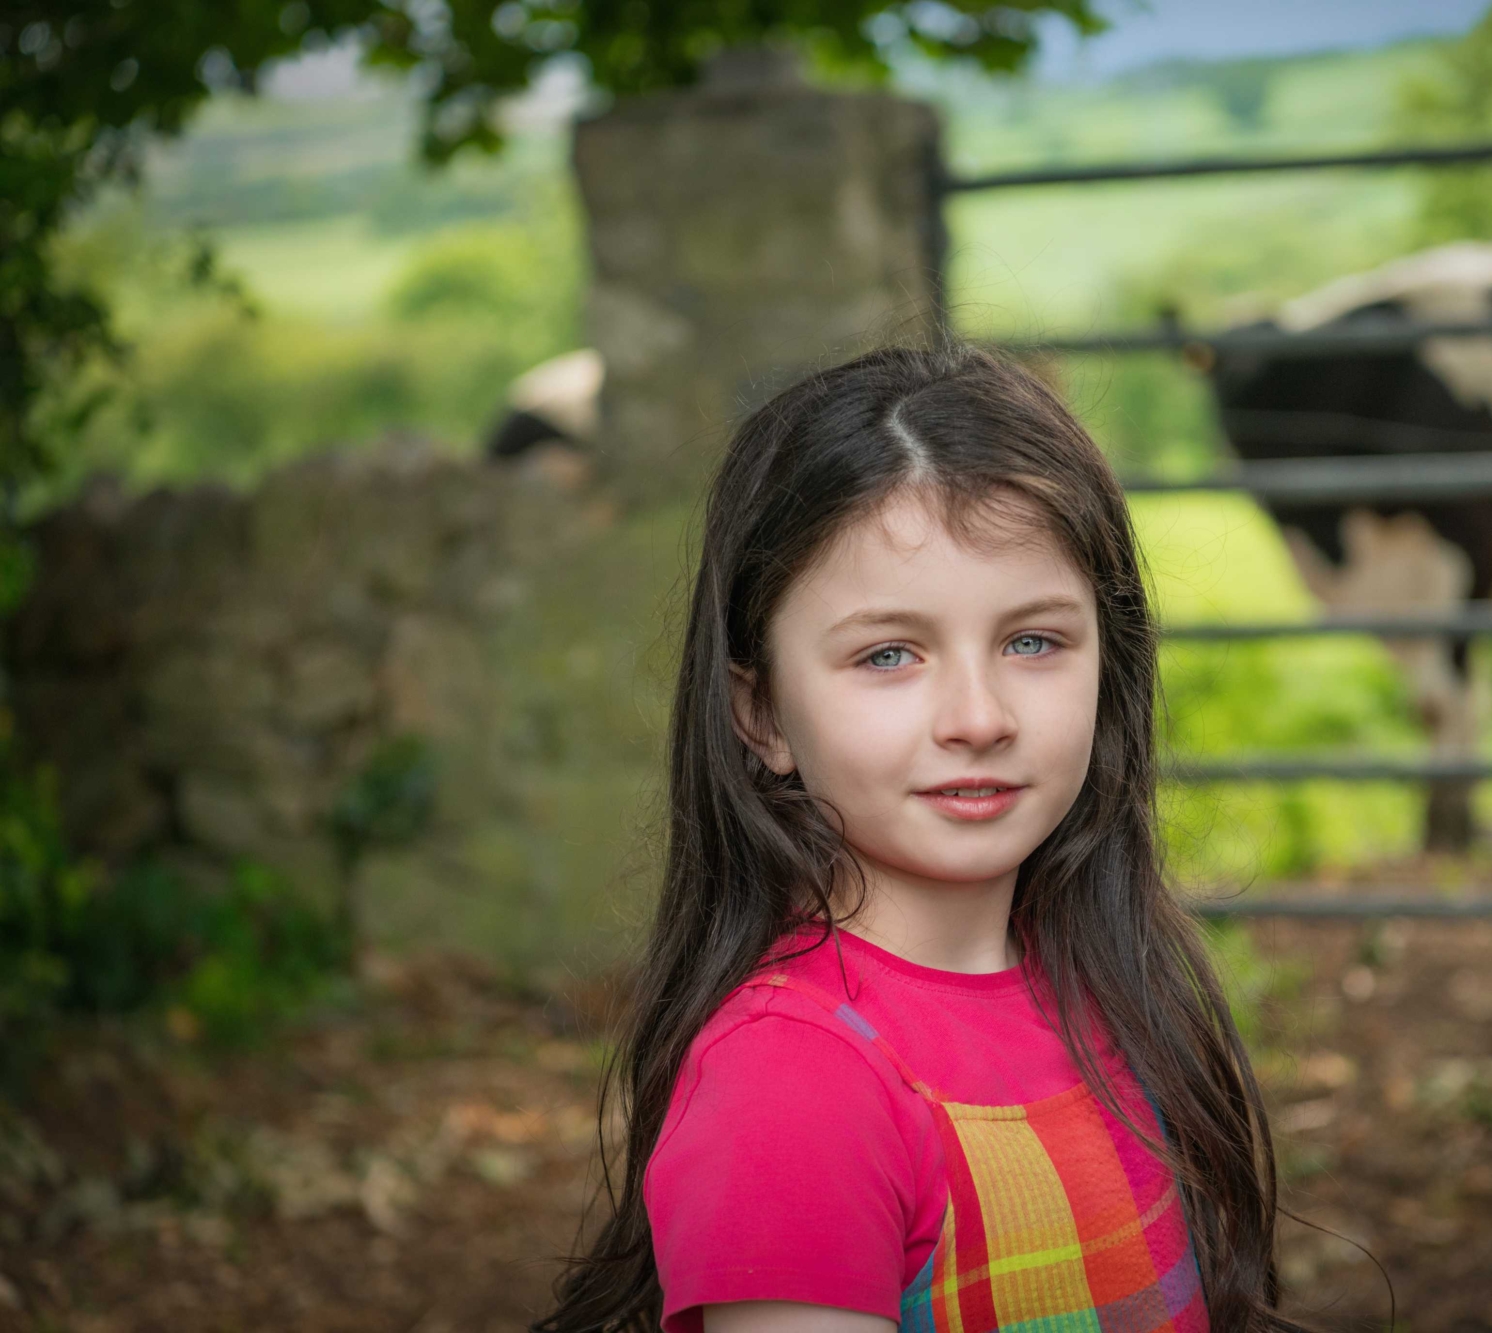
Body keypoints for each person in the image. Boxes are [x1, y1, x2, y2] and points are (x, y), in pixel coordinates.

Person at [535, 344, 1300, 1333]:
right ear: (759, 713)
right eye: (887, 654)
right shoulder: (792, 1088)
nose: (977, 716)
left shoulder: (1109, 984)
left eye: (1032, 641)